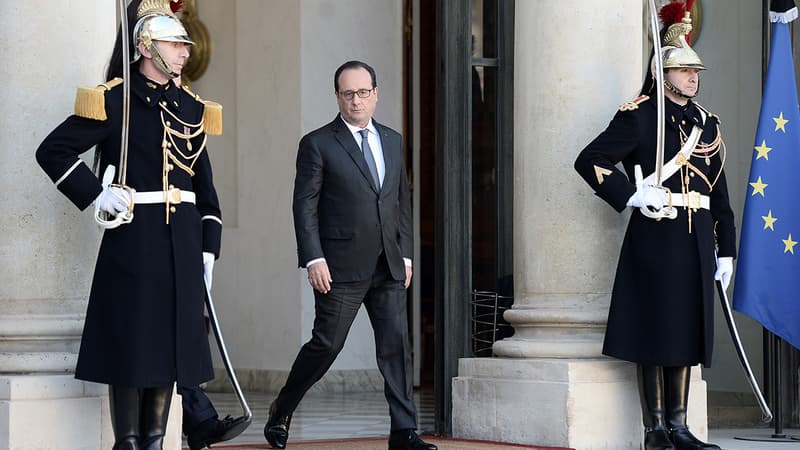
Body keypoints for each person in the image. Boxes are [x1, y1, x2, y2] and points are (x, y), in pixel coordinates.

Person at [36, 0, 244, 448]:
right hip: (135, 239)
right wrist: (97, 193)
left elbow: (204, 191)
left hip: (183, 243)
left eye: (186, 44)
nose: (186, 52)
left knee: (170, 350)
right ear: (147, 46)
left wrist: (209, 246)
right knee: (133, 348)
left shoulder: (191, 107)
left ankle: (153, 438)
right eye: (176, 43)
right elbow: (52, 150)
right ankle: (127, 441)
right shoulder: (114, 99)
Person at [573, 5, 734, 450]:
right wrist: (629, 195)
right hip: (656, 233)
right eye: (683, 70)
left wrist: (727, 250)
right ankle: (655, 429)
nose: (692, 77)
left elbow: (719, 193)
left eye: (695, 70)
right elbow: (590, 160)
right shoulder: (641, 115)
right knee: (655, 329)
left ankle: (680, 427)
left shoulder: (707, 124)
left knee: (685, 330)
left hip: (697, 236)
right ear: (663, 74)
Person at [263, 61, 436, 450]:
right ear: (338, 97)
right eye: (348, 93)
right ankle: (282, 408)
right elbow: (303, 206)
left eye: (363, 92)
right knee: (326, 345)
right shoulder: (318, 143)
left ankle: (404, 431)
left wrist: (406, 255)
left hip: (388, 264)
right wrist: (313, 258)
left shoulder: (392, 139)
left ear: (376, 93)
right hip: (339, 267)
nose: (356, 100)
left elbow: (400, 202)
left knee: (395, 346)